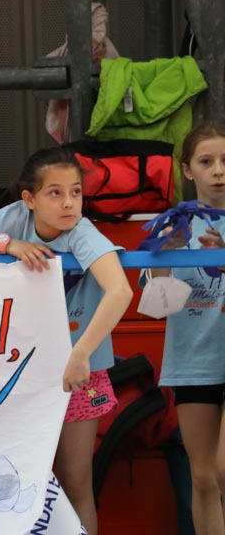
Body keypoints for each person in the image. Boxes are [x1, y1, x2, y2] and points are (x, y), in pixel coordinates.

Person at [0, 146, 132, 535]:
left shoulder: (82, 232)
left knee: (75, 483)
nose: (69, 203)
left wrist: (80, 354)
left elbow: (120, 291)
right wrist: (6, 245)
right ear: (30, 199)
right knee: (14, 479)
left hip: (76, 374)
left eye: (76, 192)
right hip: (18, 374)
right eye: (55, 193)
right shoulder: (13, 219)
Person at [144, 121, 225, 535]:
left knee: (223, 469)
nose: (218, 170)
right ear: (188, 169)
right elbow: (159, 306)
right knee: (204, 478)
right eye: (206, 161)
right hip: (194, 361)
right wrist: (164, 258)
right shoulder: (173, 224)